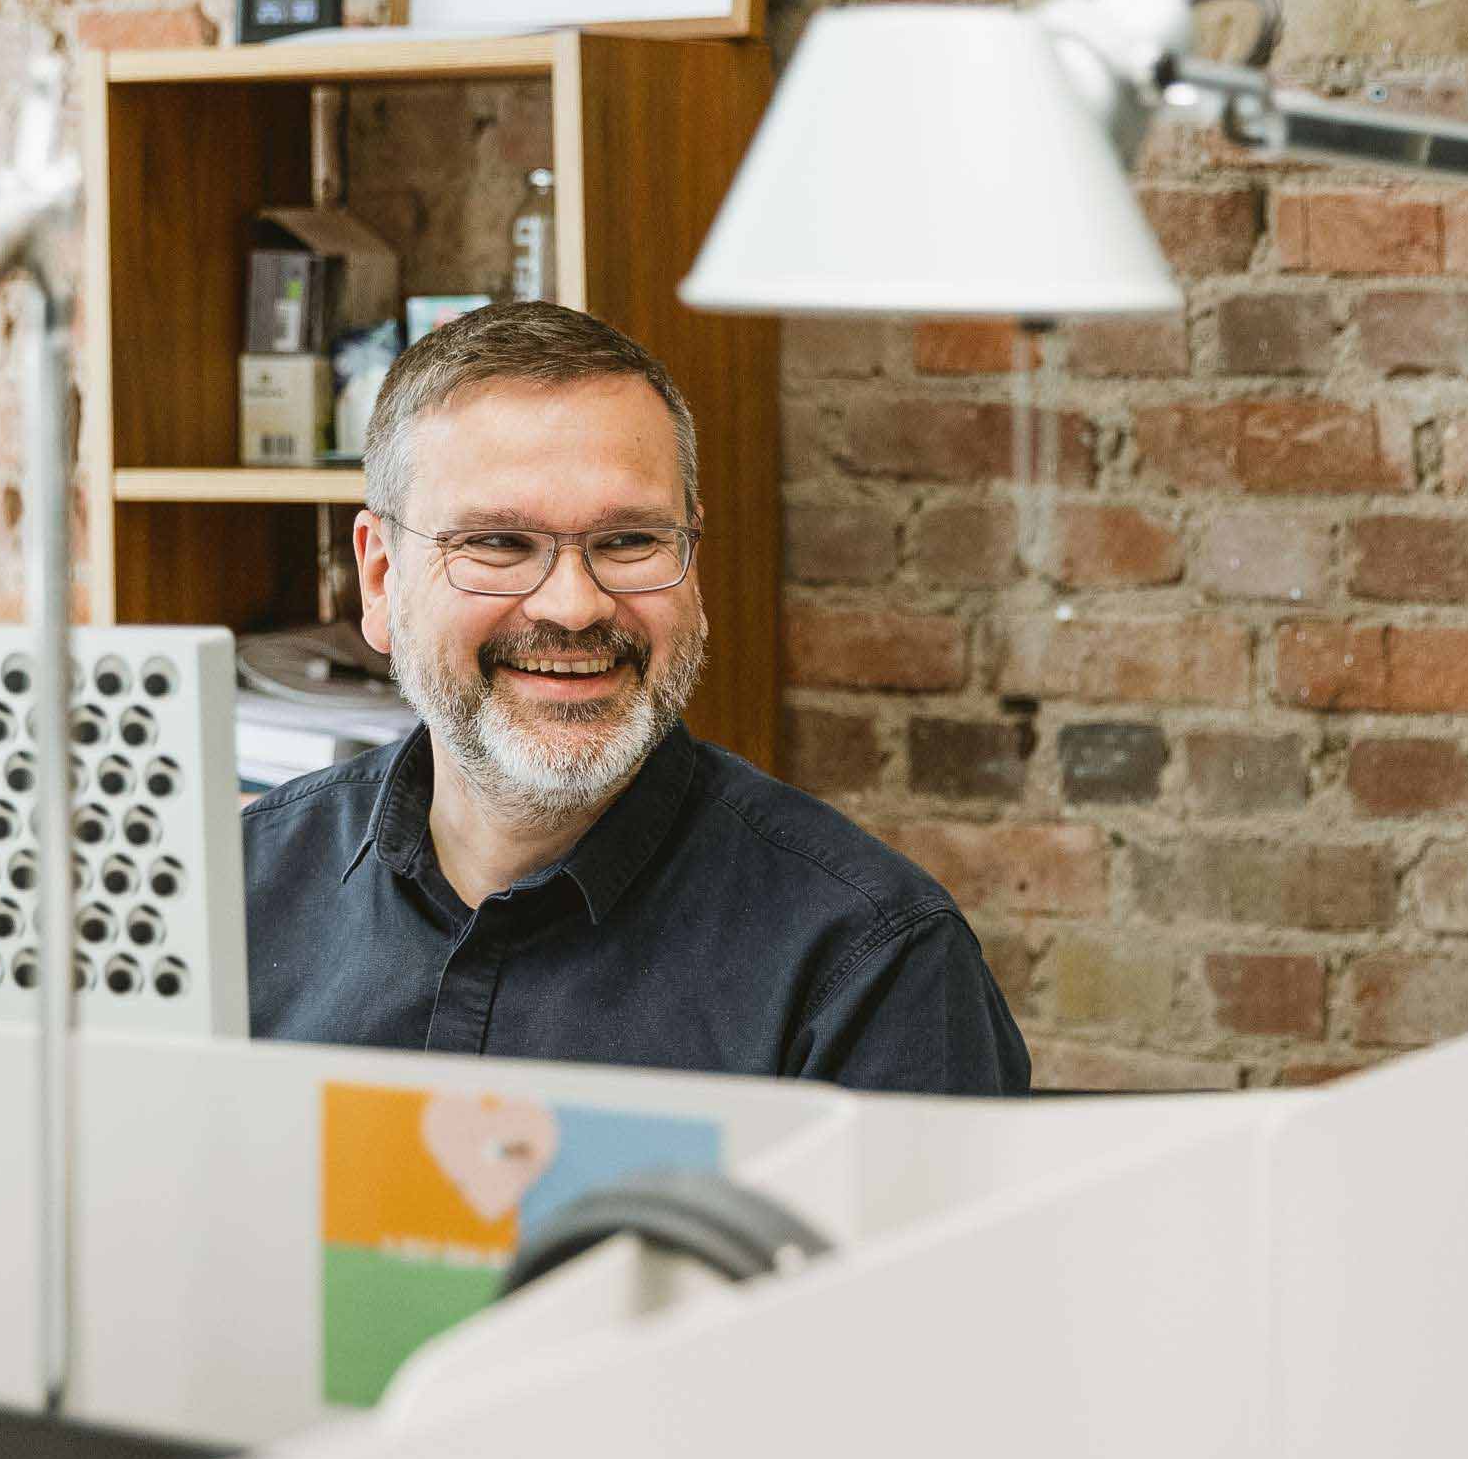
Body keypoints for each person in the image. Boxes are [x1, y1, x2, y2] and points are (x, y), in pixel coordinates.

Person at [242, 302, 1027, 1095]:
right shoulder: (231, 895)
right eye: (499, 544)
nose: (574, 607)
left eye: (628, 542)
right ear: (380, 579)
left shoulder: (873, 963)